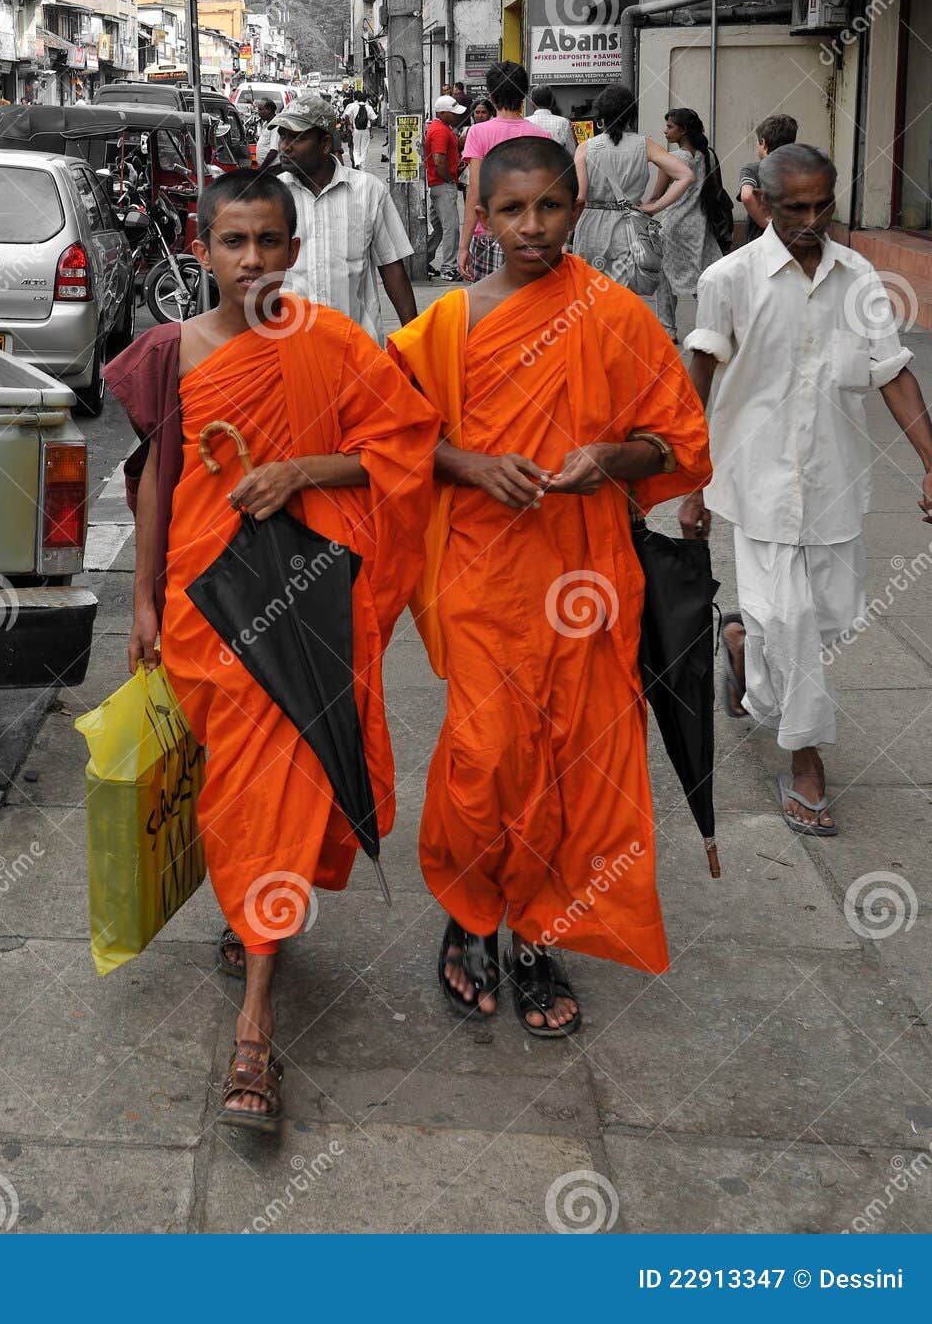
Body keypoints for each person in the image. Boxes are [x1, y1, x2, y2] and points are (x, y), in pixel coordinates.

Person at [109, 167, 438, 1130]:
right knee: (237, 791)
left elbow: (403, 447)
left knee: (282, 782)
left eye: (269, 242)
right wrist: (140, 602)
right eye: (232, 243)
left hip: (303, 605)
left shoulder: (331, 343)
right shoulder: (170, 354)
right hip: (205, 608)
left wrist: (300, 470)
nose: (252, 260)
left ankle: (255, 1026)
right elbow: (158, 488)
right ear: (202, 249)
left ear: (296, 250)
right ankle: (258, 910)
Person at [390, 135, 711, 1031]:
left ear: (577, 207)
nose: (533, 228)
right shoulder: (448, 327)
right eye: (512, 211)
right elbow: (394, 436)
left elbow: (678, 445)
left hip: (588, 577)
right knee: (485, 757)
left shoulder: (615, 314)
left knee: (571, 764)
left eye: (550, 207)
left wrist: (612, 456)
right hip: (484, 577)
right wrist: (469, 464)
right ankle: (467, 915)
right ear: (482, 218)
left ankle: (535, 934)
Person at [680, 144, 932, 836]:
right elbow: (697, 382)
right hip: (755, 483)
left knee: (822, 623)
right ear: (760, 199)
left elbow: (893, 372)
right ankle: (806, 761)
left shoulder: (860, 280)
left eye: (824, 205)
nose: (812, 219)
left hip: (835, 483)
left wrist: (931, 459)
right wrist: (690, 482)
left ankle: (737, 646)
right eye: (796, 207)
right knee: (787, 622)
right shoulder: (729, 279)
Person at [272, 93, 418, 338]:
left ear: (325, 144)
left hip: (357, 348)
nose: (285, 146)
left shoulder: (368, 190)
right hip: (292, 349)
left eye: (297, 138)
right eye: (283, 136)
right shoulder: (273, 196)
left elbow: (392, 267)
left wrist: (415, 340)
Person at [572, 84, 694, 300]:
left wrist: (566, 233)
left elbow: (580, 196)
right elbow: (686, 175)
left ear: (601, 116)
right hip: (629, 227)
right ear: (631, 114)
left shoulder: (586, 147)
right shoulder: (645, 145)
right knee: (623, 295)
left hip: (591, 225)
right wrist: (654, 207)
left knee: (590, 294)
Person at [455, 62, 552, 283]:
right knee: (528, 304)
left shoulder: (478, 133)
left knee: (492, 308)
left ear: (491, 95)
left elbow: (475, 192)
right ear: (524, 93)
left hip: (490, 232)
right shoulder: (541, 135)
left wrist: (463, 246)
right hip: (529, 232)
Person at [657, 106, 727, 341]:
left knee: (666, 276)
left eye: (670, 127)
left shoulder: (674, 158)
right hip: (700, 223)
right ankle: (712, 324)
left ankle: (668, 329)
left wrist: (645, 207)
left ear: (683, 130)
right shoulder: (708, 155)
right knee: (702, 277)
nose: (665, 131)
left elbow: (658, 193)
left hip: (675, 224)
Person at [735, 112, 797, 244]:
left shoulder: (753, 169)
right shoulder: (800, 169)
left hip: (761, 241)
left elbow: (746, 196)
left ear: (763, 143)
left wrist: (765, 223)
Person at [425, 93, 466, 280]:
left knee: (439, 228)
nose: (456, 115)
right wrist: (449, 178)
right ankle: (448, 268)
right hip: (443, 184)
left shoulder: (440, 127)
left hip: (437, 183)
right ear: (442, 113)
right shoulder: (441, 130)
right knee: (451, 227)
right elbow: (438, 159)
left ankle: (423, 260)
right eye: (452, 112)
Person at [526, 86, 576, 153]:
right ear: (552, 102)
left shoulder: (525, 122)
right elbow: (572, 152)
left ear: (532, 103)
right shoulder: (563, 122)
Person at [343, 89, 373, 167]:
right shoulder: (368, 107)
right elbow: (373, 119)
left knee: (355, 147)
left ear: (354, 97)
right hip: (365, 130)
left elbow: (345, 116)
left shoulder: (351, 106)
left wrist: (349, 126)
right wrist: (370, 130)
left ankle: (356, 162)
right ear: (366, 99)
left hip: (354, 130)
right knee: (364, 148)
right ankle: (362, 164)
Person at [254, 98, 281, 168]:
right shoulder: (266, 123)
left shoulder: (275, 126)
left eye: (260, 109)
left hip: (272, 168)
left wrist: (262, 168)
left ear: (269, 110)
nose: (258, 112)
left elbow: (273, 152)